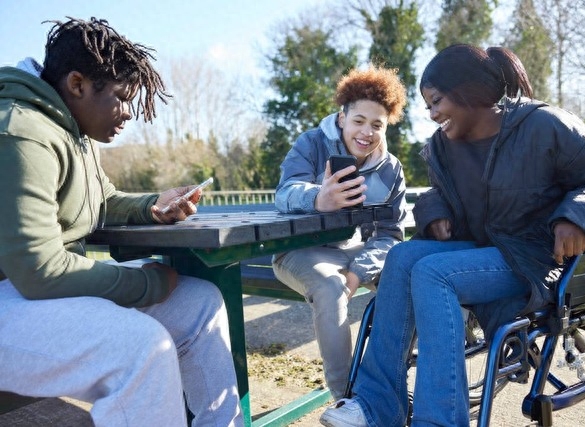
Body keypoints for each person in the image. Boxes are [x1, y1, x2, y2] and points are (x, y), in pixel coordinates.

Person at [320, 44, 585, 427]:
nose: (432, 114)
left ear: (467, 91)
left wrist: (577, 216)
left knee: (433, 274)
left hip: (534, 257)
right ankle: (376, 407)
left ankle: (440, 421)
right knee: (402, 258)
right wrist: (434, 213)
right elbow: (440, 193)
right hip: (481, 250)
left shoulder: (545, 124)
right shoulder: (442, 147)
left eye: (436, 102)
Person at [0, 17, 243, 427]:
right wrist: (146, 284)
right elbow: (39, 272)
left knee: (199, 303)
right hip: (14, 291)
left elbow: (101, 198)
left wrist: (152, 205)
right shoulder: (20, 130)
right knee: (142, 349)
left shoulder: (71, 128)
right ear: (77, 84)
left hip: (31, 292)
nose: (128, 113)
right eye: (120, 98)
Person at [272, 64, 408, 400]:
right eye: (359, 121)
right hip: (298, 252)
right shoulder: (311, 143)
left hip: (352, 251)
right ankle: (345, 400)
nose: (366, 132)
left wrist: (358, 273)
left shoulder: (390, 169)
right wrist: (318, 197)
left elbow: (390, 234)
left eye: (377, 124)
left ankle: (385, 381)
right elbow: (284, 193)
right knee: (331, 290)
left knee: (410, 278)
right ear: (342, 117)